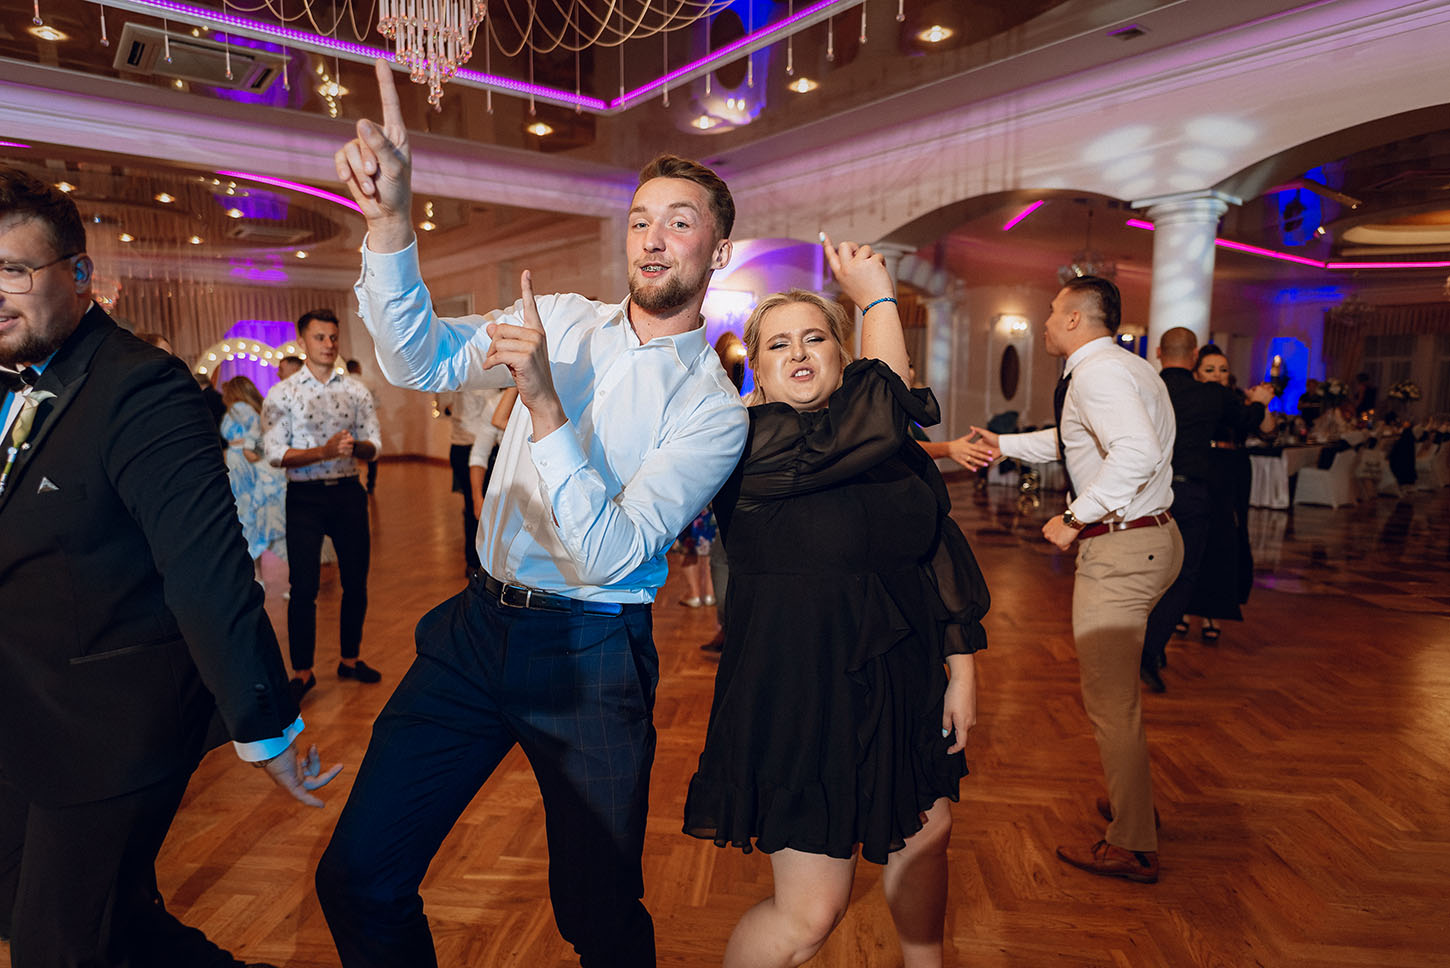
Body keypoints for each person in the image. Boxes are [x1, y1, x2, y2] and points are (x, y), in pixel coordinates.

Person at [315, 60, 749, 967]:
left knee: (598, 918)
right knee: (357, 876)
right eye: (640, 220)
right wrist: (390, 225)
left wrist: (545, 404)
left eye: (680, 222)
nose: (653, 239)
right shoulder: (559, 316)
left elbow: (610, 553)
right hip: (476, 631)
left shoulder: (713, 409)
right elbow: (419, 360)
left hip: (593, 657)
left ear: (718, 253)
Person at [0, 167, 339, 968]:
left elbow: (207, 569)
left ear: (80, 274)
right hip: (22, 703)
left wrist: (266, 722)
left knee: (58, 946)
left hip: (110, 720)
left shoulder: (141, 388)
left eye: (13, 271)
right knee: (69, 918)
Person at [683, 239, 988, 968]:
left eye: (815, 338)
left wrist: (961, 666)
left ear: (841, 356)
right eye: (778, 344)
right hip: (800, 690)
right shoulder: (747, 444)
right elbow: (880, 413)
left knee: (927, 836)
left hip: (900, 673)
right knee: (810, 915)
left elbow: (934, 549)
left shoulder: (886, 450)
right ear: (756, 369)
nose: (799, 353)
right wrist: (877, 294)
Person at [963, 275, 1181, 884]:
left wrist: (1073, 517)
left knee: (1111, 702)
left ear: (1078, 319)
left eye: (1055, 311)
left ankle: (1133, 845)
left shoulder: (1097, 374)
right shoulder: (1127, 367)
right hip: (1154, 539)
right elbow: (1076, 440)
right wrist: (1004, 443)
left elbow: (1135, 453)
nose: (1046, 322)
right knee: (1119, 698)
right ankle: (1133, 803)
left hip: (1121, 549)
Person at [1138, 332, 1273, 690]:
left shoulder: (1144, 387)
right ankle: (1150, 649)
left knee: (1147, 573)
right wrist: (1261, 402)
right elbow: (1249, 419)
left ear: (1158, 352)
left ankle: (1141, 646)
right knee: (1183, 574)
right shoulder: (1210, 395)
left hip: (1144, 494)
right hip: (1188, 493)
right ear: (1195, 356)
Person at [262, 308, 383, 703]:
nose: (329, 345)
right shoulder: (282, 394)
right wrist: (324, 452)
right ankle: (303, 671)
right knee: (303, 587)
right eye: (320, 337)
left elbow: (374, 446)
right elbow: (275, 454)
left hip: (348, 491)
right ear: (302, 342)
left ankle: (350, 659)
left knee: (356, 581)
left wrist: (355, 448)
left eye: (333, 337)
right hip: (305, 497)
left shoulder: (356, 390)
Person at [1179, 344, 1276, 643]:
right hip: (1203, 468)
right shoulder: (1195, 400)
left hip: (1232, 470)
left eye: (1223, 369)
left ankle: (1214, 611)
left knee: (1226, 539)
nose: (1217, 375)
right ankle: (1183, 608)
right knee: (1194, 539)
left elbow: (1268, 432)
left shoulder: (1238, 400)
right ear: (1197, 373)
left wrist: (1261, 404)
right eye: (1210, 369)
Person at [221, 375, 288, 574]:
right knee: (252, 515)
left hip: (241, 465)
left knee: (246, 516)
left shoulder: (238, 409)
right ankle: (258, 572)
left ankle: (255, 573)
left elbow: (253, 438)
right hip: (246, 464)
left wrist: (247, 449)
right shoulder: (254, 409)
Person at [345, 358, 381, 492]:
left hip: (349, 424)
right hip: (367, 424)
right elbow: (378, 404)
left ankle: (352, 482)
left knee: (349, 451)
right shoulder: (369, 383)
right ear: (358, 368)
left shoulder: (342, 383)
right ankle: (371, 484)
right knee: (372, 453)